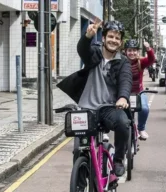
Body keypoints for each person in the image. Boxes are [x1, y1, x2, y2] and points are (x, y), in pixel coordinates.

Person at [57, 20, 132, 177]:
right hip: (86, 108)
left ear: (120, 42)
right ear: (103, 38)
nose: (113, 40)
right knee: (79, 149)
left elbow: (126, 80)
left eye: (117, 38)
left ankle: (118, 160)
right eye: (110, 36)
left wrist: (123, 98)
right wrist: (87, 36)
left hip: (109, 108)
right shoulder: (94, 53)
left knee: (124, 123)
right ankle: (82, 183)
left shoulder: (123, 61)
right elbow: (82, 49)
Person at [124, 39, 155, 140]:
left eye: (134, 50)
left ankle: (141, 128)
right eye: (129, 50)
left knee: (144, 108)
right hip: (125, 93)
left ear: (137, 51)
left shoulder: (141, 61)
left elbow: (151, 60)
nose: (132, 53)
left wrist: (148, 49)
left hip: (138, 92)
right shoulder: (121, 62)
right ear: (125, 51)